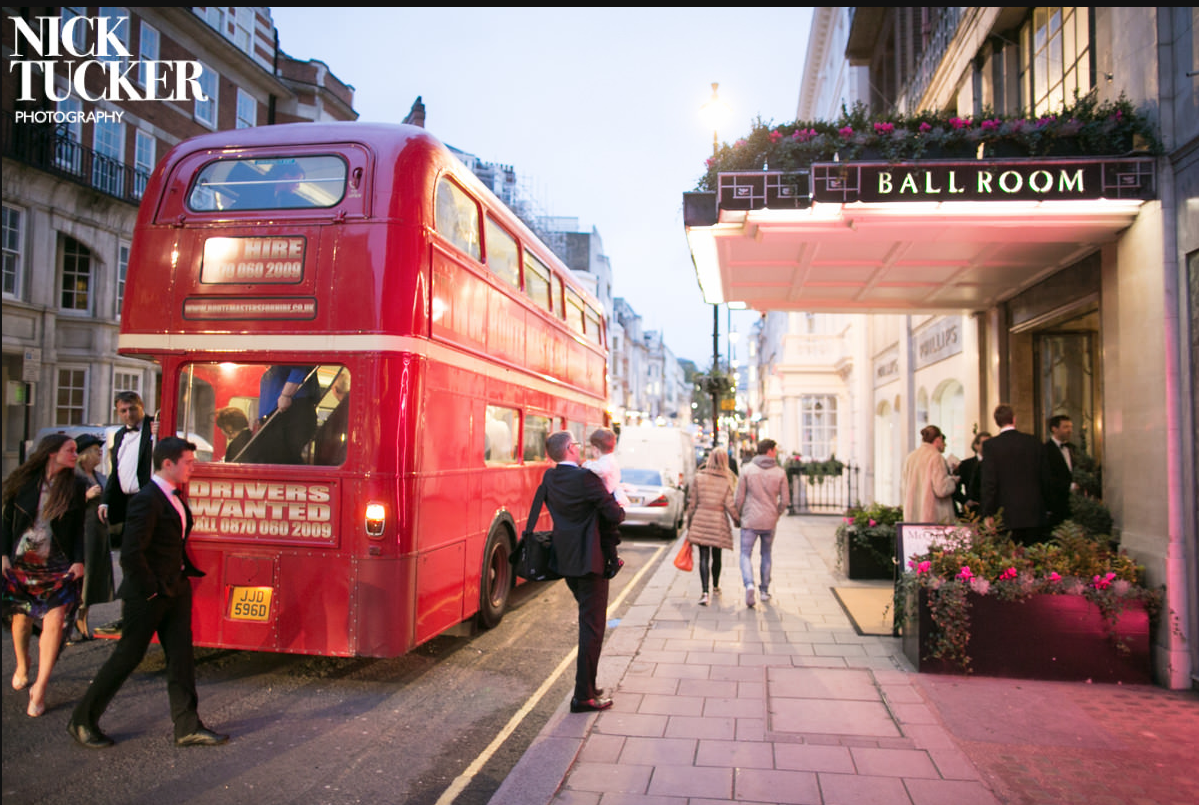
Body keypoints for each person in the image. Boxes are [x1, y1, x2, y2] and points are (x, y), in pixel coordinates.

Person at [68, 437, 228, 749]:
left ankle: (187, 726)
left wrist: (179, 578)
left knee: (181, 658)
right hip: (149, 594)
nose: (193, 468)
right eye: (188, 462)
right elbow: (131, 554)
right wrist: (153, 590)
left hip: (176, 590)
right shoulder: (147, 498)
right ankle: (82, 720)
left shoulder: (172, 496)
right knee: (127, 656)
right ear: (168, 464)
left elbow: (173, 542)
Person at [524, 431, 624, 713]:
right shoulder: (586, 479)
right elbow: (614, 515)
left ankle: (589, 686)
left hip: (565, 560)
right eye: (577, 445)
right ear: (569, 448)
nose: (580, 449)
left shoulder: (550, 478)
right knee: (592, 627)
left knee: (588, 622)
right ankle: (584, 696)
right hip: (591, 561)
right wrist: (618, 501)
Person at [2, 434, 86, 718]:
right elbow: (6, 520)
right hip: (23, 563)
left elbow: (78, 529)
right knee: (22, 621)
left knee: (55, 621)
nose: (76, 454)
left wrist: (79, 561)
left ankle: (39, 688)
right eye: (70, 450)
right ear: (51, 453)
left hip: (58, 565)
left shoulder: (75, 486)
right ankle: (24, 664)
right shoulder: (24, 481)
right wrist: (2, 554)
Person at [97, 391, 156, 634]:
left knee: (141, 557)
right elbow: (115, 473)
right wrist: (105, 501)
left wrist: (159, 435)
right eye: (123, 410)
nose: (129, 414)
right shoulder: (120, 435)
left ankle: (140, 614)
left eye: (133, 409)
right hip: (129, 503)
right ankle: (130, 614)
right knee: (129, 559)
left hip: (148, 500)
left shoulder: (155, 428)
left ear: (141, 407)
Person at [980, 404, 1048, 546]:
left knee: (1009, 561)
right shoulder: (1033, 442)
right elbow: (1045, 476)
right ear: (1014, 419)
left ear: (996, 422)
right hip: (1034, 512)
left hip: (1005, 514)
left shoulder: (991, 446)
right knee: (1034, 558)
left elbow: (989, 482)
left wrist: (988, 513)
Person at [733, 438, 790, 608]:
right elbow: (785, 500)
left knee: (745, 554)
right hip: (769, 521)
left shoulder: (747, 470)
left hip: (750, 519)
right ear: (769, 451)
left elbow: (739, 497)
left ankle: (749, 584)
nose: (776, 452)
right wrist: (776, 512)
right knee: (766, 554)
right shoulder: (780, 472)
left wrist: (739, 514)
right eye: (775, 449)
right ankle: (764, 591)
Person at [72, 433, 114, 641]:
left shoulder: (100, 476)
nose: (100, 453)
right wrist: (84, 496)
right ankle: (70, 622)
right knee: (82, 577)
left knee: (93, 580)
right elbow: (61, 504)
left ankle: (83, 619)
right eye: (96, 450)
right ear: (85, 454)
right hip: (81, 532)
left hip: (98, 531)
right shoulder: (72, 476)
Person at [685, 448, 738, 605]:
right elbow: (730, 504)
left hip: (701, 519)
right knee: (717, 555)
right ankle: (715, 586)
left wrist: (689, 523)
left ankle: (704, 592)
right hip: (718, 521)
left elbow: (692, 504)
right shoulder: (726, 480)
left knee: (703, 556)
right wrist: (737, 520)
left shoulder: (699, 477)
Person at [247, 365, 319, 464]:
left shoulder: (287, 364)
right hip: (275, 417)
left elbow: (300, 365)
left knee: (281, 458)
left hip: (288, 413)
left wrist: (286, 395)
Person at [582, 427, 628, 576]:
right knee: (607, 534)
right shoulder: (609, 459)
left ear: (595, 449)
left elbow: (600, 470)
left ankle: (615, 562)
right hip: (611, 499)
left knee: (608, 535)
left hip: (610, 501)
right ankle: (611, 560)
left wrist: (586, 464)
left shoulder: (606, 461)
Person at [900, 425, 959, 524]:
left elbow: (904, 486)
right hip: (933, 517)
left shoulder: (910, 457)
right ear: (939, 438)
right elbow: (941, 489)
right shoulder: (936, 457)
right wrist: (953, 480)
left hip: (913, 519)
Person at [1043, 415, 1076, 531]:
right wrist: (1070, 486)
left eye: (1070, 427)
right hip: (1057, 504)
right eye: (1065, 427)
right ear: (1054, 429)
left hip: (1074, 504)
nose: (1070, 430)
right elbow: (1047, 478)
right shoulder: (1045, 450)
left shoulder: (1073, 449)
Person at [953, 431, 991, 518]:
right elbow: (955, 488)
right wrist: (966, 501)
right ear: (976, 445)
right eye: (985, 443)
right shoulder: (966, 464)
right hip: (974, 510)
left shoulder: (995, 463)